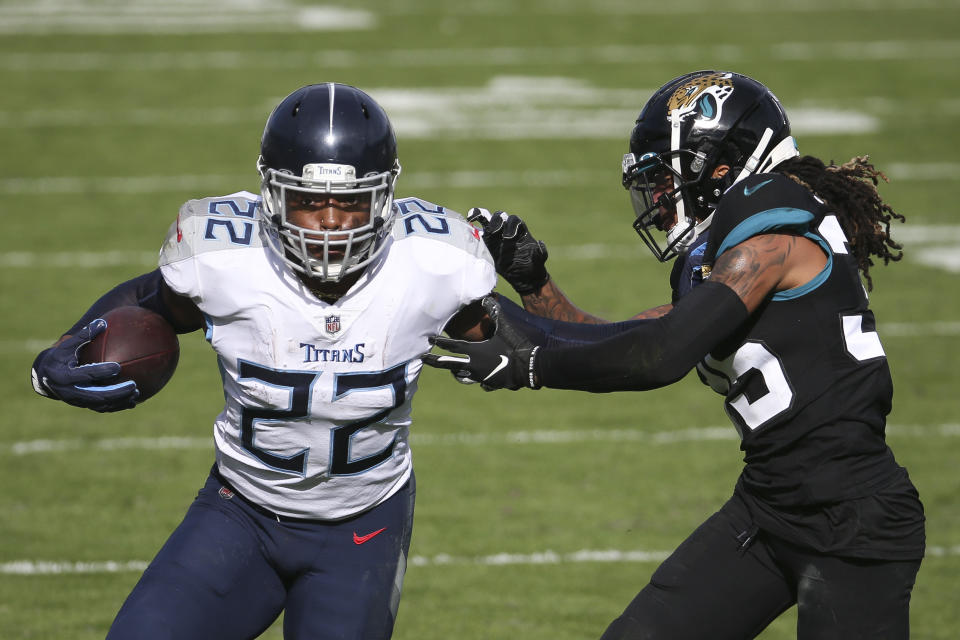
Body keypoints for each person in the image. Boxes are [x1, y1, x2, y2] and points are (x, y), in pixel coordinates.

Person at [425, 71, 925, 639]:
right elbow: (618, 339)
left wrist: (531, 363)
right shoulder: (731, 251)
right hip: (770, 507)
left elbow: (658, 357)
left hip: (853, 522)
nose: (658, 197)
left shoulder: (774, 238)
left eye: (664, 177)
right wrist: (530, 282)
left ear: (721, 165)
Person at [30, 82, 496, 640]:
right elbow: (149, 300)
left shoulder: (434, 263)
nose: (328, 221)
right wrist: (66, 344)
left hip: (363, 528)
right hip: (240, 511)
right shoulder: (224, 257)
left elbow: (538, 345)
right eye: (308, 199)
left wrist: (537, 285)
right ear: (272, 195)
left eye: (349, 202)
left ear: (384, 198)